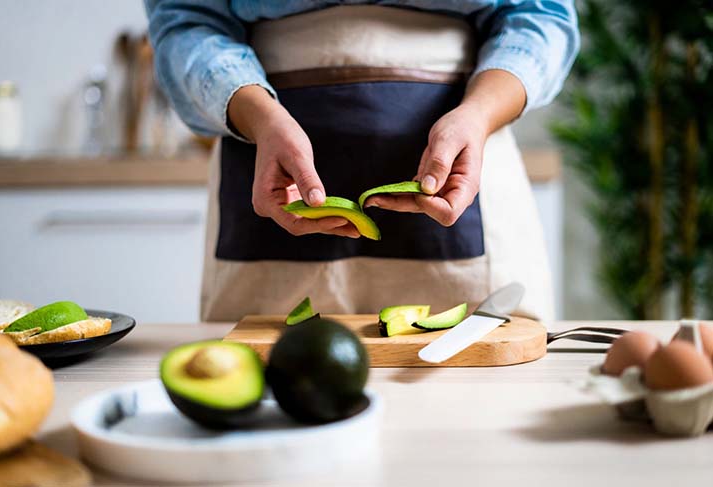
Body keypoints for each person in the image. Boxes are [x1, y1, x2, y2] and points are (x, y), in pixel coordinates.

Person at [145, 1, 579, 322]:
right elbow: (187, 22)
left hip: (468, 162)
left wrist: (479, 113)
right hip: (263, 157)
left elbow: (541, 16)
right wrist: (260, 117)